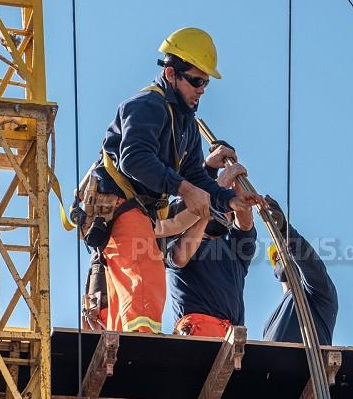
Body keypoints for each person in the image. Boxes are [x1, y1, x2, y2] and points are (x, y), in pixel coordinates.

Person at [87, 27, 262, 333]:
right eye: (196, 81)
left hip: (139, 210)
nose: (201, 89)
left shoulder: (187, 126)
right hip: (118, 202)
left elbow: (196, 177)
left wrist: (228, 200)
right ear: (171, 74)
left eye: (205, 83)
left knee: (131, 284)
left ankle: (121, 344)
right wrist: (183, 188)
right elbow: (134, 159)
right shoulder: (146, 105)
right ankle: (139, 346)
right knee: (144, 275)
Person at [166, 162, 256, 337]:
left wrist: (239, 187)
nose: (222, 213)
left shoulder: (235, 251)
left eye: (227, 210)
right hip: (196, 331)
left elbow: (245, 224)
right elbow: (180, 257)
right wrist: (217, 190)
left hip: (230, 336)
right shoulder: (176, 241)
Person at [262, 197, 338, 345]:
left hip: (306, 366)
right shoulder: (270, 322)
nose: (281, 260)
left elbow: (310, 262)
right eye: (277, 257)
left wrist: (285, 230)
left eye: (284, 253)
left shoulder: (319, 293)